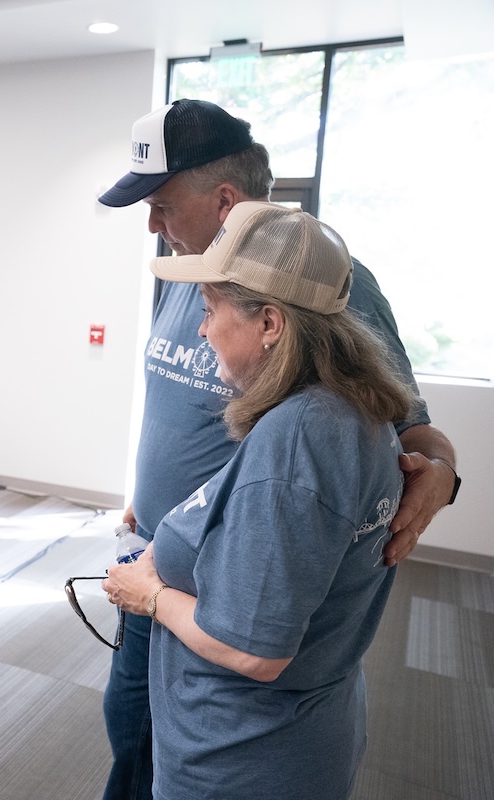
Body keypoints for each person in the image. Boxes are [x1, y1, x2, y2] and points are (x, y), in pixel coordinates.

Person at [96, 99, 459, 800]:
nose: (152, 224)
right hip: (161, 559)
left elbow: (405, 424)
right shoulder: (191, 274)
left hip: (227, 595)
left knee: (197, 750)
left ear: (225, 200)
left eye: (162, 204)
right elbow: (181, 402)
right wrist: (152, 492)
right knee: (136, 731)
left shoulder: (316, 287)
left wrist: (439, 474)